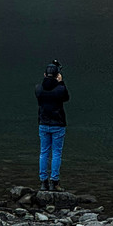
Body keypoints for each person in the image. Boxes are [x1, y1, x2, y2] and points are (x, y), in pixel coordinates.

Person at [35, 60, 69, 191]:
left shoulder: (38, 88)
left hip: (43, 123)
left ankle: (43, 182)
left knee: (43, 153)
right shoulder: (60, 89)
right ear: (57, 75)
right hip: (58, 124)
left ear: (44, 74)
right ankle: (54, 182)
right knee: (56, 153)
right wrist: (61, 82)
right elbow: (66, 97)